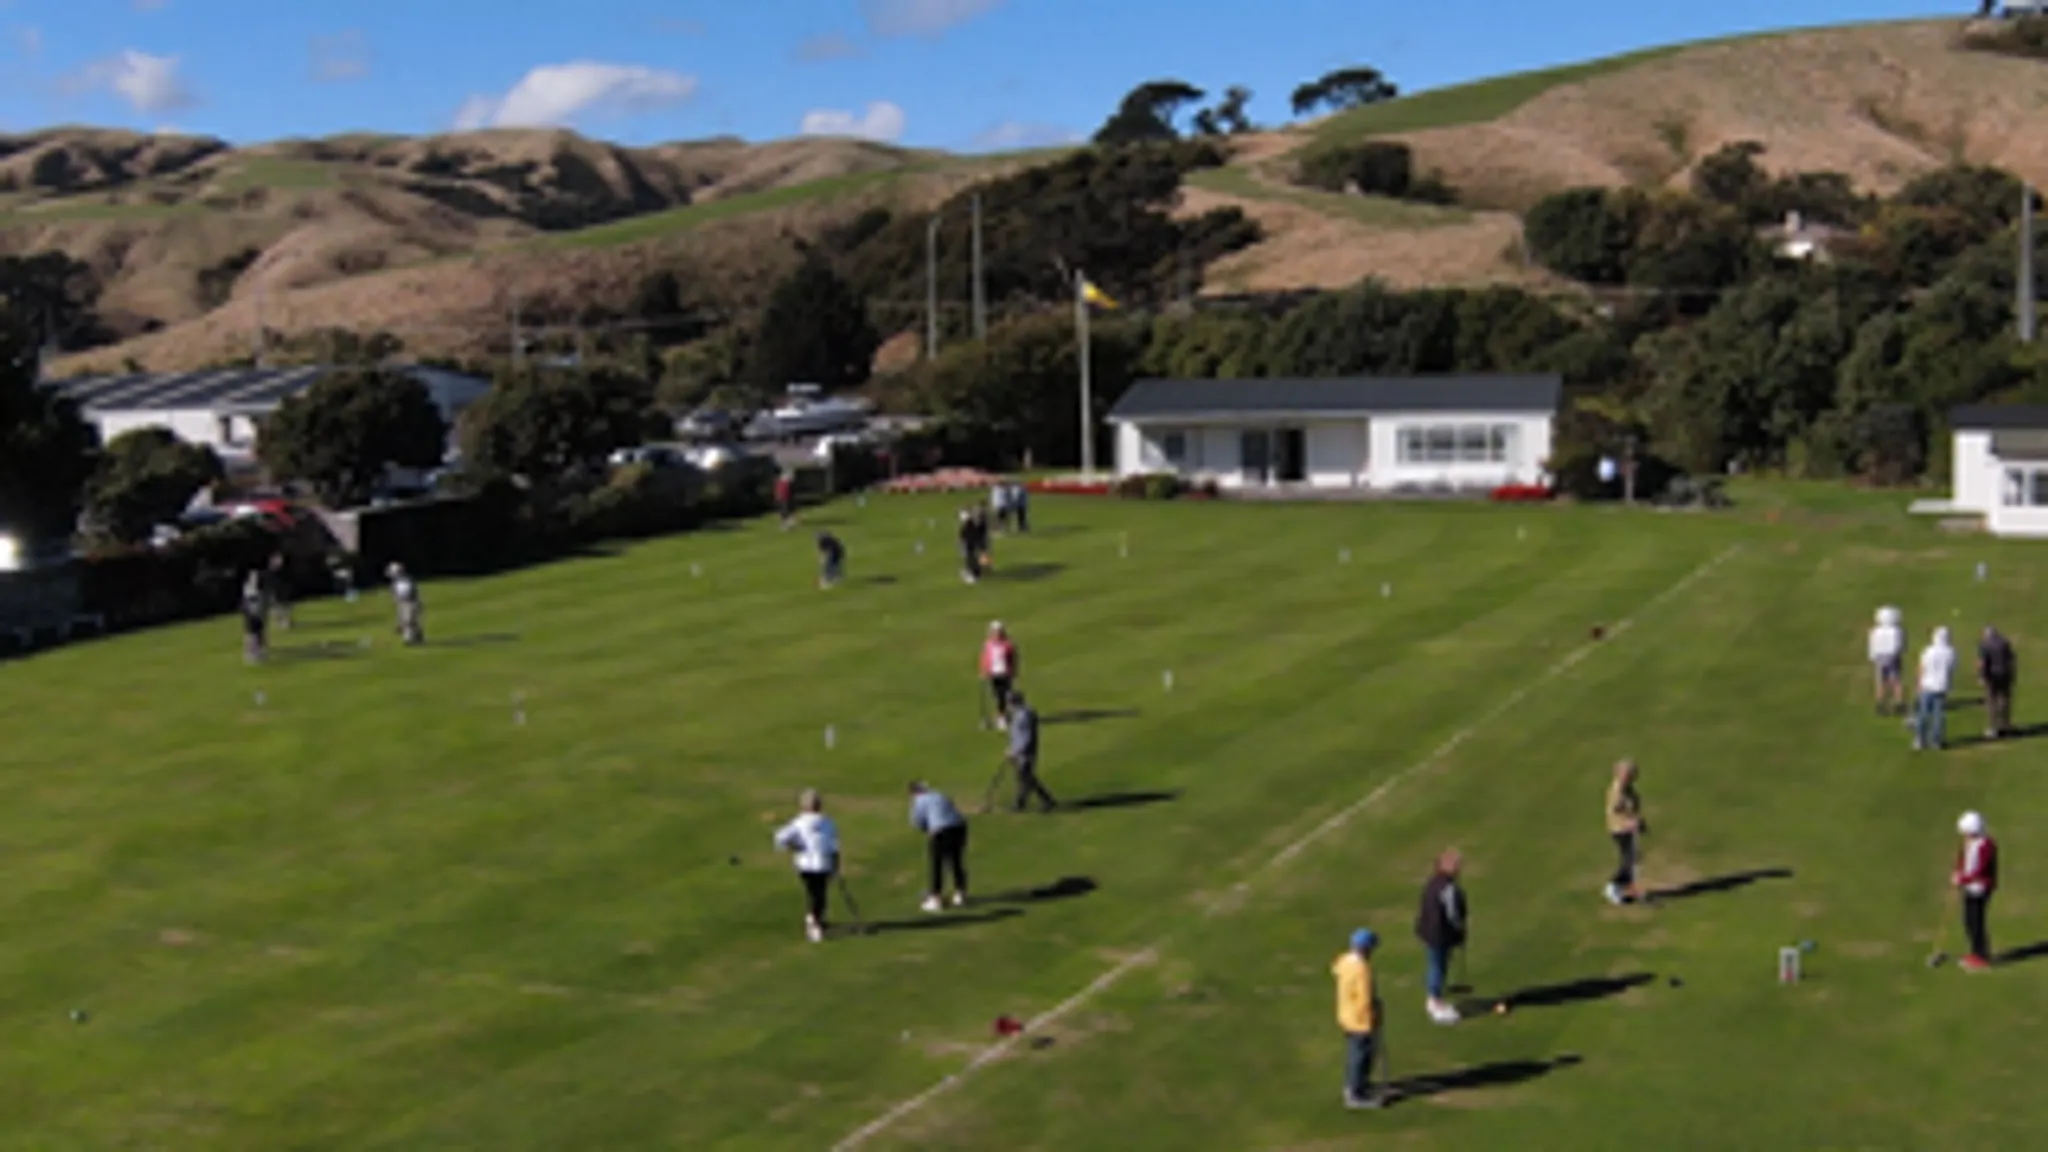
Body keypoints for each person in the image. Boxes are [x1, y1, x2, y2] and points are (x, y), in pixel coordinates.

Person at [774, 789, 841, 942]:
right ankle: (813, 922)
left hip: (814, 864)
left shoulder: (808, 822)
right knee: (818, 894)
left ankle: (815, 919)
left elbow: (780, 838)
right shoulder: (823, 822)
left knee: (818, 894)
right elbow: (833, 846)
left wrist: (794, 846)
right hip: (814, 864)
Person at [1331, 927, 1384, 1110]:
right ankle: (1354, 1093)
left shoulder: (1344, 962)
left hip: (1346, 1015)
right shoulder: (1361, 969)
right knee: (1361, 1055)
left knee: (1357, 1053)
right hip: (1360, 1020)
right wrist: (1374, 1014)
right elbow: (1364, 997)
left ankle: (1359, 1085)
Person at [1414, 849, 1468, 1024]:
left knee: (1435, 964)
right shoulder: (1448, 888)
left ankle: (1434, 997)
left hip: (1428, 932)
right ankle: (1436, 1003)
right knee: (1438, 966)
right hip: (1439, 935)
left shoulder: (1432, 882)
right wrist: (1459, 930)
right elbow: (1453, 915)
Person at [908, 781, 969, 911]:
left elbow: (917, 821)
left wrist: (928, 829)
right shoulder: (940, 795)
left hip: (941, 832)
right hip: (959, 828)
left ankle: (936, 898)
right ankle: (960, 893)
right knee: (956, 861)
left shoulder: (919, 800)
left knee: (937, 864)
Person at [1953, 810, 1999, 971]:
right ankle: (1975, 952)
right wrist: (1958, 872)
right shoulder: (1969, 842)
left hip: (1981, 889)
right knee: (1968, 920)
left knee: (1976, 921)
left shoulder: (1986, 845)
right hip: (1970, 887)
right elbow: (1963, 858)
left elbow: (1980, 870)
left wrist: (1962, 879)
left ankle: (1982, 956)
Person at [1604, 759, 1647, 905]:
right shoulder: (1617, 789)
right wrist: (1629, 822)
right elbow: (1615, 809)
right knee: (1630, 859)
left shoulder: (1627, 788)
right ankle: (1613, 887)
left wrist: (1638, 821)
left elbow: (1631, 807)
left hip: (1626, 828)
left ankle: (1626, 886)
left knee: (1633, 858)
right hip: (1620, 829)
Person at [1007, 691, 1055, 812]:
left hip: (1025, 753)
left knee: (1027, 778)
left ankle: (1046, 800)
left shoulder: (1024, 716)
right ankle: (1020, 803)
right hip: (1021, 751)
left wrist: (1015, 751)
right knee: (1023, 778)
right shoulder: (1022, 714)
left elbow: (1026, 738)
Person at [1914, 626, 1957, 751]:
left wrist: (1918, 683)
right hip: (1942, 687)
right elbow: (1952, 668)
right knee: (1939, 715)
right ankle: (1936, 741)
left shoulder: (1929, 651)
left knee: (1923, 714)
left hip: (1927, 685)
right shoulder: (1951, 652)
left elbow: (1921, 667)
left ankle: (1920, 740)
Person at [1978, 625, 2018, 740]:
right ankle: (2005, 725)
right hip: (2005, 675)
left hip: (1992, 676)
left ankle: (1993, 728)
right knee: (2004, 700)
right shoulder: (2004, 643)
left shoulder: (1985, 645)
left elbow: (1982, 662)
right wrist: (2012, 675)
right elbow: (2012, 659)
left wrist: (1981, 676)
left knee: (1991, 702)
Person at [980, 620, 1020, 729]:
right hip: (993, 674)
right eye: (994, 632)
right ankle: (1004, 716)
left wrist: (1014, 670)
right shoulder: (988, 644)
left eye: (998, 632)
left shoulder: (1008, 644)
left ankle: (1002, 717)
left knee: (1005, 696)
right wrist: (984, 670)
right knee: (997, 696)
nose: (996, 634)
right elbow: (985, 658)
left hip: (1005, 673)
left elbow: (1014, 658)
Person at [1868, 606, 1905, 716]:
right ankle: (1899, 703)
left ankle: (1880, 704)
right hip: (1893, 658)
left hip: (1880, 659)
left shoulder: (1875, 631)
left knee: (1881, 682)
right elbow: (1899, 646)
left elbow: (1872, 646)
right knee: (1896, 681)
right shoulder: (1896, 631)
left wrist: (1874, 658)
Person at [388, 562, 424, 646]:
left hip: (410, 602)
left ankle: (409, 639)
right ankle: (417, 636)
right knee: (407, 621)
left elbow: (411, 592)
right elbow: (394, 593)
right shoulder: (395, 583)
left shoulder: (407, 580)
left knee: (409, 620)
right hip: (402, 603)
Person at [240, 570, 269, 665]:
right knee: (251, 634)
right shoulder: (249, 589)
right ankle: (249, 653)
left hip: (258, 614)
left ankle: (260, 651)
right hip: (250, 614)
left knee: (260, 632)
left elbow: (263, 602)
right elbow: (249, 603)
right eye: (254, 578)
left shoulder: (261, 589)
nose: (256, 580)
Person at [264, 552, 293, 631]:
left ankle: (286, 621)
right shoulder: (269, 573)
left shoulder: (283, 572)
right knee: (276, 608)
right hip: (274, 591)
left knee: (285, 606)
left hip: (281, 591)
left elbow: (286, 581)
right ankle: (280, 622)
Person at [957, 508, 983, 584]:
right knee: (972, 558)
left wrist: (961, 541)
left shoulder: (968, 525)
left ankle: (973, 575)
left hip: (970, 544)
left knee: (970, 559)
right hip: (972, 543)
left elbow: (963, 535)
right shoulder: (972, 524)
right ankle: (975, 573)